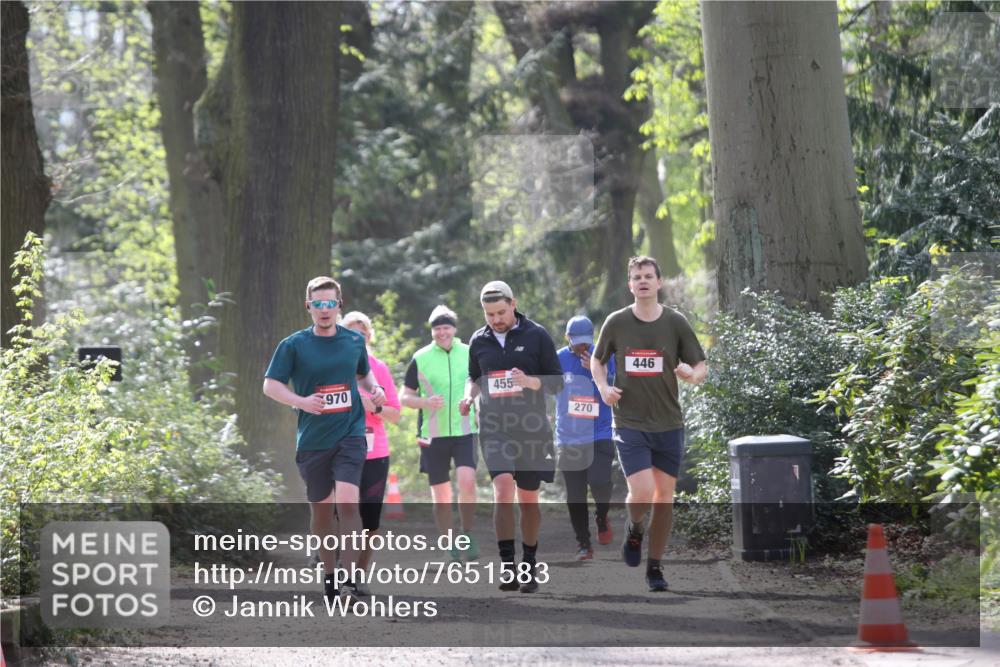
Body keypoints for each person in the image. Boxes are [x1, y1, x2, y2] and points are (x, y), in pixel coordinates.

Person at [262, 276, 386, 605]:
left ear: (339, 305)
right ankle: (329, 575)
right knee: (321, 512)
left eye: (330, 303)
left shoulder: (353, 342)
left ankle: (349, 579)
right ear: (309, 307)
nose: (325, 309)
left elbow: (363, 373)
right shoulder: (293, 345)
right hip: (313, 440)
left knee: (347, 502)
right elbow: (270, 386)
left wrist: (376, 389)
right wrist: (301, 402)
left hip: (350, 433)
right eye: (318, 304)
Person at [591, 256, 707, 592]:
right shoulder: (616, 322)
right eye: (637, 277)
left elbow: (700, 366)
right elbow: (598, 362)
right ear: (630, 285)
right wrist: (603, 388)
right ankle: (635, 527)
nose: (642, 281)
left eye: (648, 276)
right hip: (630, 422)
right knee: (641, 492)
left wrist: (692, 374)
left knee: (664, 499)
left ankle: (655, 568)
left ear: (659, 282)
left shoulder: (675, 322)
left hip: (668, 423)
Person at [459, 281, 563, 593]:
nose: (495, 319)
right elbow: (474, 377)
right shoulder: (479, 340)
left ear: (513, 304)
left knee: (528, 499)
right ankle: (508, 567)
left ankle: (529, 565)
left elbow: (557, 383)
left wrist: (531, 382)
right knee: (503, 489)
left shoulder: (537, 335)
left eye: (501, 312)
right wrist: (468, 396)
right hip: (494, 426)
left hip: (531, 427)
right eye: (489, 314)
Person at [400, 305, 480, 561]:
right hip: (432, 434)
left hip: (465, 430)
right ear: (432, 331)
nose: (442, 332)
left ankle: (467, 535)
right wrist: (425, 403)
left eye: (446, 327)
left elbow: (480, 384)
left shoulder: (469, 352)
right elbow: (405, 396)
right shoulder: (421, 357)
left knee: (467, 482)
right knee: (442, 495)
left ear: (454, 329)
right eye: (437, 329)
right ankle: (449, 545)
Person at [341, 311, 402, 595]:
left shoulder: (379, 368)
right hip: (340, 449)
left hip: (375, 451)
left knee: (371, 521)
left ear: (369, 336)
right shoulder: (333, 366)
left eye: (362, 333)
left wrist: (372, 406)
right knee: (342, 515)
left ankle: (359, 575)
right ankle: (340, 571)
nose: (358, 338)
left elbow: (395, 415)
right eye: (352, 333)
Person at [554, 315, 616, 561]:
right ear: (567, 338)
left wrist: (596, 368)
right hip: (569, 437)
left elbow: (617, 387)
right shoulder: (558, 359)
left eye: (586, 342)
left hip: (599, 432)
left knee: (600, 482)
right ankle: (583, 544)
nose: (582, 347)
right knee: (575, 495)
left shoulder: (604, 356)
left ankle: (602, 517)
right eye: (577, 342)